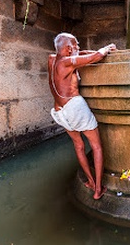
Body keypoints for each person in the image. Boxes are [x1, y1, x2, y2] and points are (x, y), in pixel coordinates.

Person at [48, 33, 116, 200]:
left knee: (78, 145)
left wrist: (80, 51)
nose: (78, 47)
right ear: (69, 48)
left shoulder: (52, 59)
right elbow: (96, 57)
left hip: (59, 111)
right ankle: (98, 189)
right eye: (76, 45)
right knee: (96, 146)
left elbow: (81, 54)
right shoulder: (66, 62)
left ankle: (91, 181)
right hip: (74, 107)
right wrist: (106, 49)